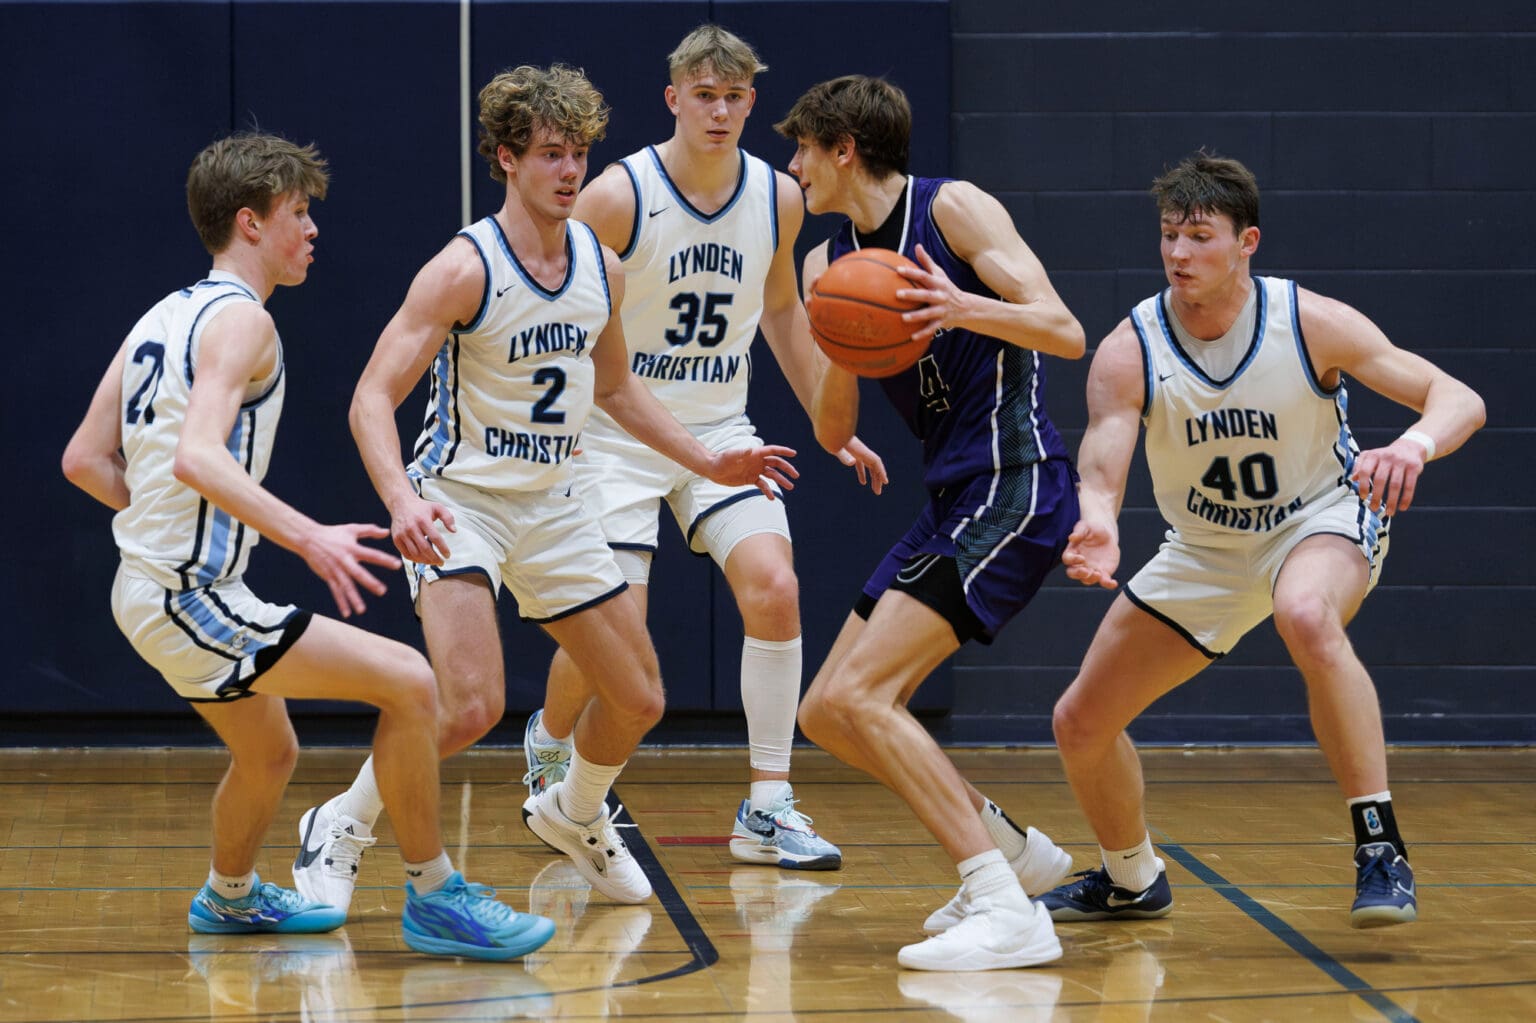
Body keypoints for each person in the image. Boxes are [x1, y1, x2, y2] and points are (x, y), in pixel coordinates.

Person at [293, 66, 797, 913]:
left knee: (639, 697)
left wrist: (707, 463)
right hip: (465, 501)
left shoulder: (602, 263)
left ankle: (573, 810)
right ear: (508, 160)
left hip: (557, 502)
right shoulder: (462, 268)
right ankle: (340, 822)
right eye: (551, 154)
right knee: (467, 706)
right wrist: (402, 500)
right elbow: (371, 398)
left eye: (580, 154)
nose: (571, 171)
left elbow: (618, 389)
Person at [60, 133, 553, 960]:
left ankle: (229, 896)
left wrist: (160, 523)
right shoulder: (242, 321)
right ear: (249, 223)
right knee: (411, 683)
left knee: (270, 750)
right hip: (189, 594)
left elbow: (84, 460)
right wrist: (309, 536)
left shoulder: (162, 314)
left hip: (154, 585)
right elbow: (198, 455)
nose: (313, 228)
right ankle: (436, 895)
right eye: (299, 212)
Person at [1036, 152, 1486, 929]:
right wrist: (1101, 522)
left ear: (1248, 242)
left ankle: (1379, 845)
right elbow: (1104, 464)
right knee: (1079, 721)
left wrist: (1412, 447)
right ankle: (1131, 877)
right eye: (1170, 234)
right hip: (1204, 546)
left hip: (1319, 517)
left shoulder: (1306, 320)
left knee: (1305, 614)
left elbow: (1458, 396)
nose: (1179, 253)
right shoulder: (1130, 345)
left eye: (1200, 236)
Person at [519, 24, 886, 872]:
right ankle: (550, 743)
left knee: (776, 587)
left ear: (753, 103)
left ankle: (767, 804)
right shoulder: (619, 195)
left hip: (723, 432)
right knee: (619, 634)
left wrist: (837, 426)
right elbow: (559, 309)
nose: (720, 111)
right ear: (673, 98)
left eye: (734, 97)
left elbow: (787, 313)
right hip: (615, 435)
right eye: (704, 95)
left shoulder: (779, 198)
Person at [774, 75, 1085, 971]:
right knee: (829, 710)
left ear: (843, 151)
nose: (793, 166)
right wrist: (841, 328)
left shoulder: (953, 212)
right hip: (952, 495)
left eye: (802, 150)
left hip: (1014, 478)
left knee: (867, 695)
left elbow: (1064, 330)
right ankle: (1011, 849)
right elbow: (835, 429)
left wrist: (956, 306)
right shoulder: (826, 260)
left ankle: (1004, 902)